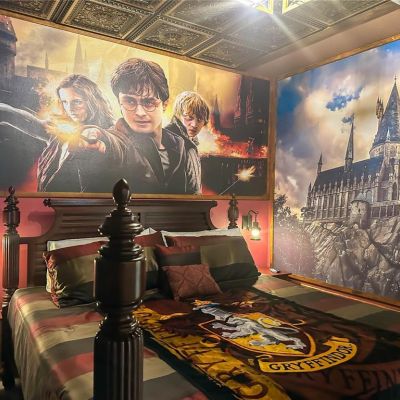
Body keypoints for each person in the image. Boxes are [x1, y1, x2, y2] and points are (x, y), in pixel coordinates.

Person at [84, 58, 198, 194]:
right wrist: (95, 136)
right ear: (120, 103)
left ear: (165, 104)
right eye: (130, 101)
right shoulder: (115, 140)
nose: (139, 112)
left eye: (148, 102)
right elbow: (113, 142)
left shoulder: (178, 143)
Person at [0, 74, 116, 192]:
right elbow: (27, 120)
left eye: (77, 102)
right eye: (65, 102)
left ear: (93, 102)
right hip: (50, 200)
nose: (70, 108)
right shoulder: (61, 131)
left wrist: (94, 136)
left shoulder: (109, 134)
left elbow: (115, 146)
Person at [165, 91, 210, 194]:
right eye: (189, 118)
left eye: (200, 119)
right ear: (178, 115)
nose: (194, 124)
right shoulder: (171, 141)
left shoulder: (190, 142)